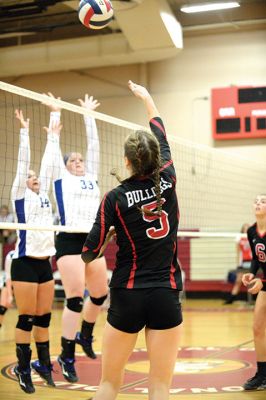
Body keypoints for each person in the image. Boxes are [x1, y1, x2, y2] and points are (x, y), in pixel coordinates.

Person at [81, 80, 183, 400]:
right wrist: (147, 98)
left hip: (127, 294)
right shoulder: (168, 175)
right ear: (156, 159)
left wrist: (109, 238)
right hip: (165, 293)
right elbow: (160, 131)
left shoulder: (114, 198)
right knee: (160, 385)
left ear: (127, 161)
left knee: (109, 384)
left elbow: (88, 253)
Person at [44, 93, 108, 382]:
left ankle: (86, 335)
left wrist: (88, 115)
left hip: (93, 241)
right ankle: (66, 356)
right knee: (74, 300)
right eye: (75, 159)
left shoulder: (91, 176)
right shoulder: (62, 178)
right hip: (70, 241)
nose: (80, 161)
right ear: (66, 165)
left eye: (81, 159)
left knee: (100, 294)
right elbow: (55, 154)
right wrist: (56, 115)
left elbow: (93, 147)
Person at [10, 109, 56, 393]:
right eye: (30, 176)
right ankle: (24, 369)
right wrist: (24, 133)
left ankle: (43, 365)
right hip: (25, 263)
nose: (34, 176)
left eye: (35, 175)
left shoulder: (44, 196)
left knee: (44, 318)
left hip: (45, 265)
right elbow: (22, 165)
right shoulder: (20, 193)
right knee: (26, 318)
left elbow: (49, 166)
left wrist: (53, 133)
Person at [241, 194, 266, 390]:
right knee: (258, 328)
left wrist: (262, 284)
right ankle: (262, 375)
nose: (258, 203)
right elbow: (257, 257)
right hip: (265, 283)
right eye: (256, 200)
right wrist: (251, 273)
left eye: (263, 201)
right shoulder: (251, 230)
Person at [224, 223, 252, 304]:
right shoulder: (239, 238)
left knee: (251, 280)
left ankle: (252, 300)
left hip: (253, 262)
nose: (246, 229)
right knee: (239, 280)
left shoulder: (253, 237)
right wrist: (238, 264)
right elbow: (238, 252)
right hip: (244, 262)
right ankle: (232, 298)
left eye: (248, 228)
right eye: (245, 228)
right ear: (242, 229)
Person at [0, 250, 14, 328]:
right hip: (9, 282)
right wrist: (10, 295)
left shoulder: (28, 255)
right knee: (2, 308)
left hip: (21, 283)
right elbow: (8, 276)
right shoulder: (11, 255)